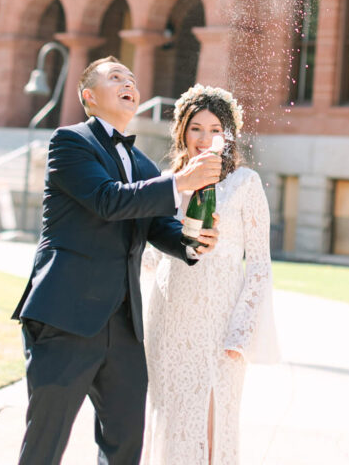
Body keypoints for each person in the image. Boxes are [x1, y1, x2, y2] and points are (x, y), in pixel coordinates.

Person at [12, 56, 222, 465]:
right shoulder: (70, 142)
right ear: (89, 96)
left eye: (130, 77)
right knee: (44, 445)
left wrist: (196, 242)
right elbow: (108, 201)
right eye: (115, 78)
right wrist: (180, 181)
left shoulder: (143, 164)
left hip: (124, 327)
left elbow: (161, 229)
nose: (128, 82)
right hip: (65, 318)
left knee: (125, 447)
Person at [142, 84, 279, 465]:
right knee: (168, 412)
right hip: (168, 317)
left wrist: (242, 329)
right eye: (195, 128)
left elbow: (260, 265)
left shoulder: (245, 183)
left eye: (215, 129)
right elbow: (151, 255)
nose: (204, 139)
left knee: (213, 416)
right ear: (182, 131)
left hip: (219, 321)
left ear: (228, 134)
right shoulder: (168, 181)